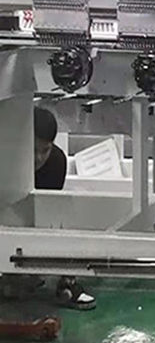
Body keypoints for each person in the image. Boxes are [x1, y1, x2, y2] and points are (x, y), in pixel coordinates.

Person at [33, 107, 96, 310]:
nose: (38, 158)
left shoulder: (56, 162)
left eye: (45, 150)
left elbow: (49, 208)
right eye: (33, 150)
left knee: (64, 217)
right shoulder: (7, 160)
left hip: (34, 218)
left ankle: (66, 283)